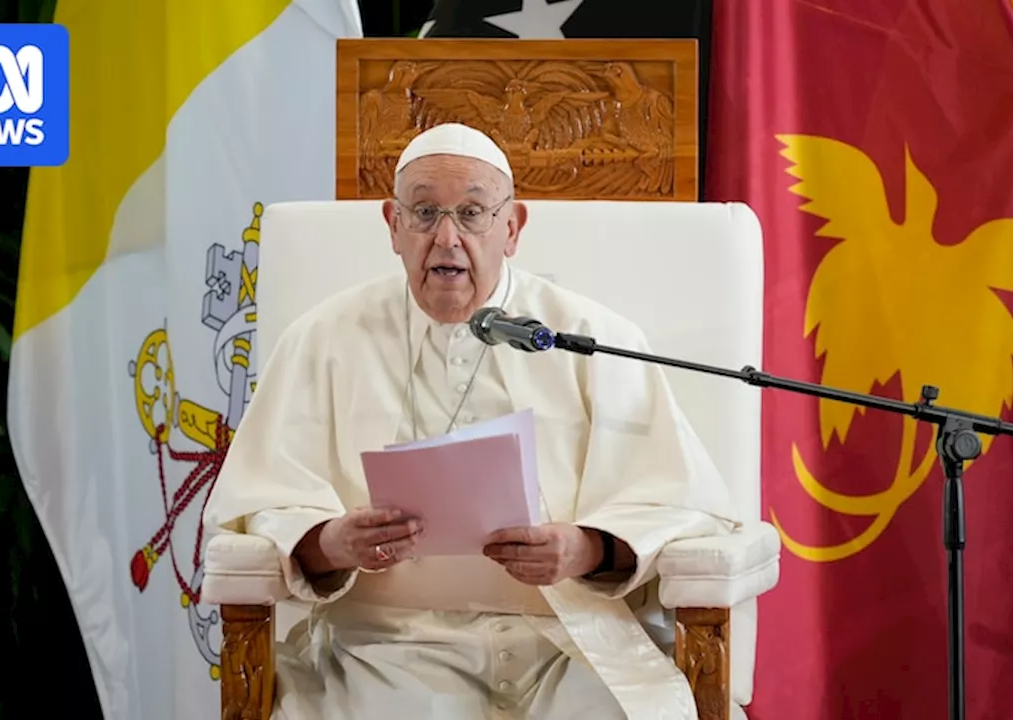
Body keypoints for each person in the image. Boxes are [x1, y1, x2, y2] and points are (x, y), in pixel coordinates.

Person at [204, 122, 741, 720]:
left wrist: (587, 548)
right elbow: (265, 501)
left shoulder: (590, 338)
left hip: (570, 644)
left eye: (473, 213)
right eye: (426, 212)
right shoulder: (322, 340)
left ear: (512, 228)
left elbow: (675, 503)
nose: (448, 238)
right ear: (392, 225)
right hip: (385, 649)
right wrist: (331, 541)